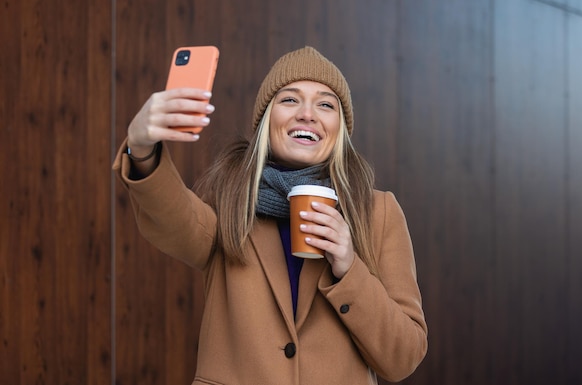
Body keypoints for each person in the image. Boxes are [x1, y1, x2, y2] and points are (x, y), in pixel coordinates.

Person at [113, 46, 427, 384]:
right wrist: (141, 147)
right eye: (289, 100)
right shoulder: (228, 201)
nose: (307, 114)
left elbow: (403, 357)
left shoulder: (378, 213)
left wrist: (350, 269)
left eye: (325, 104)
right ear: (266, 120)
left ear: (340, 130)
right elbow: (174, 220)